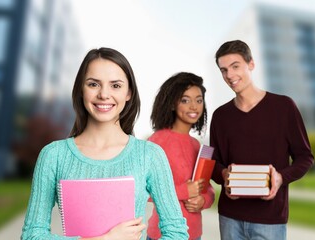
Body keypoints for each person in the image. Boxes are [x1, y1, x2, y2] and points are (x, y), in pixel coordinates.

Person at [21, 47, 189, 240]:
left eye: (115, 86)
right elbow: (32, 235)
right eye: (93, 84)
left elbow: (177, 233)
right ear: (80, 90)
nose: (104, 94)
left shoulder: (149, 155)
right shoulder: (53, 155)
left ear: (129, 93)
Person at [210, 40, 314, 240]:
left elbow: (305, 157)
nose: (229, 75)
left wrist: (280, 178)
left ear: (251, 64)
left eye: (235, 66)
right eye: (223, 70)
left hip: (270, 220)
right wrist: (223, 174)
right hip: (230, 217)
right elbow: (213, 162)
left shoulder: (284, 107)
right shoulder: (220, 116)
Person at [146, 72, 215, 240]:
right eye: (185, 100)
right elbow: (144, 191)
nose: (194, 106)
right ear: (172, 104)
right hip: (164, 234)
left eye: (199, 100)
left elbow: (207, 188)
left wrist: (203, 200)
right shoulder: (157, 141)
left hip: (194, 234)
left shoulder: (196, 145)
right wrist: (185, 191)